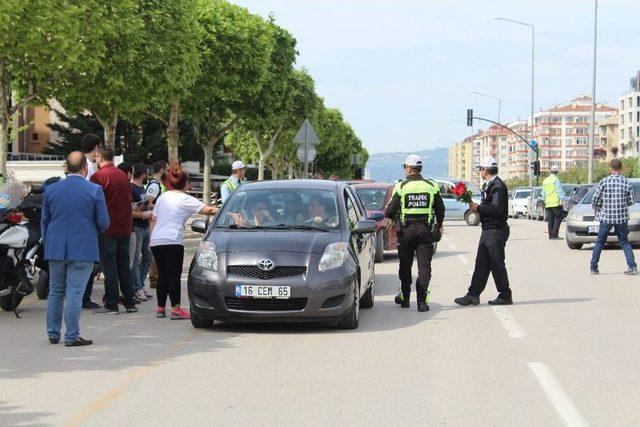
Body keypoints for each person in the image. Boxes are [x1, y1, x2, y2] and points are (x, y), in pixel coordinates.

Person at [42, 152, 110, 346]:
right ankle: (71, 336)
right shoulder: (94, 190)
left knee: (55, 291)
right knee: (74, 292)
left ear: (66, 168)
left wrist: (49, 240)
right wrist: (90, 232)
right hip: (83, 248)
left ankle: (53, 333)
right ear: (85, 168)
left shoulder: (51, 190)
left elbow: (45, 221)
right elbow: (104, 222)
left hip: (56, 247)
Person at [150, 163, 219, 319]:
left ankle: (160, 308)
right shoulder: (185, 198)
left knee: (162, 276)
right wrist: (227, 211)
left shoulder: (162, 197)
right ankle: (176, 309)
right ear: (185, 184)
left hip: (157, 240)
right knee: (174, 275)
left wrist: (151, 238)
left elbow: (153, 218)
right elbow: (208, 209)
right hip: (172, 240)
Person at [385, 154, 445, 312]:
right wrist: (439, 225)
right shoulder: (431, 186)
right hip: (425, 231)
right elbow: (440, 209)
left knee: (405, 266)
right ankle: (422, 302)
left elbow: (390, 211)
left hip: (406, 232)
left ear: (410, 168)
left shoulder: (401, 187)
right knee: (424, 267)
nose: (404, 169)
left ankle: (405, 299)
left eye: (405, 167)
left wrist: (393, 217)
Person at [455, 157, 513, 307]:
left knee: (496, 263)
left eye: (480, 169)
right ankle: (473, 294)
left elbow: (496, 209)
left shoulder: (498, 186)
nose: (480, 172)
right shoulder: (490, 185)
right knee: (481, 264)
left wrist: (478, 208)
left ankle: (505, 295)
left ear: (485, 170)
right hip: (488, 229)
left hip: (495, 230)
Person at [91, 147, 138, 314]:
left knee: (109, 266)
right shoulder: (123, 177)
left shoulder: (98, 177)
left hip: (107, 227)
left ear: (100, 157)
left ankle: (111, 303)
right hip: (125, 226)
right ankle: (130, 302)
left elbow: (94, 203)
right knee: (123, 265)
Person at [590, 159, 638, 275]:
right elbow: (631, 201)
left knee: (600, 242)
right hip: (621, 218)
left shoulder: (604, 182)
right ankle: (633, 267)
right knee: (625, 242)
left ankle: (593, 267)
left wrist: (599, 206)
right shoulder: (626, 182)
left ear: (610, 169)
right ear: (621, 169)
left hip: (606, 217)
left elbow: (595, 199)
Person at [130, 164, 154, 300]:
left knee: (148, 257)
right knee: (136, 259)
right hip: (137, 227)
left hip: (145, 226)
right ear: (142, 174)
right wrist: (145, 214)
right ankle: (137, 287)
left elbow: (146, 204)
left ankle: (140, 283)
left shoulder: (142, 188)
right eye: (146, 173)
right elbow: (131, 211)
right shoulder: (131, 188)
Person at [146, 161, 167, 290]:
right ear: (161, 170)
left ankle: (157, 276)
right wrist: (161, 207)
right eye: (167, 169)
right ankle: (154, 278)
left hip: (158, 220)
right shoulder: (154, 186)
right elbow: (147, 203)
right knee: (154, 250)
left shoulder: (158, 184)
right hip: (154, 221)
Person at [542, 165, 565, 239]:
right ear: (557, 172)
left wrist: (544, 200)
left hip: (548, 203)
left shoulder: (545, 180)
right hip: (555, 203)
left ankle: (550, 235)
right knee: (558, 218)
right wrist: (562, 200)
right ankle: (555, 235)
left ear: (550, 171)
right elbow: (559, 191)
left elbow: (543, 193)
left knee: (550, 220)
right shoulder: (556, 180)